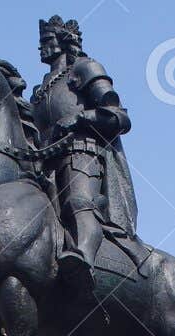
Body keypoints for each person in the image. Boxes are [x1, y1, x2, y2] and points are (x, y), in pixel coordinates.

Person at [31, 15, 138, 279]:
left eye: (46, 40)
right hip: (44, 163)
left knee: (78, 204)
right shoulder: (40, 89)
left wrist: (79, 118)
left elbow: (119, 117)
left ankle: (84, 260)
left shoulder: (85, 68)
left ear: (64, 42)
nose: (40, 47)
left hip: (82, 152)